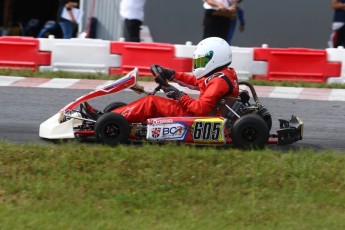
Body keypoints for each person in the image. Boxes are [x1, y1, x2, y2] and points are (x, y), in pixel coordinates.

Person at [83, 37, 239, 123]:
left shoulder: (219, 80)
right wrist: (171, 74)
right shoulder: (221, 75)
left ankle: (105, 120)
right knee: (151, 102)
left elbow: (200, 110)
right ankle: (112, 116)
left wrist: (178, 95)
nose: (199, 66)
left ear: (215, 58)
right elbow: (196, 83)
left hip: (202, 119)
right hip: (203, 114)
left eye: (202, 61)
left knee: (151, 102)